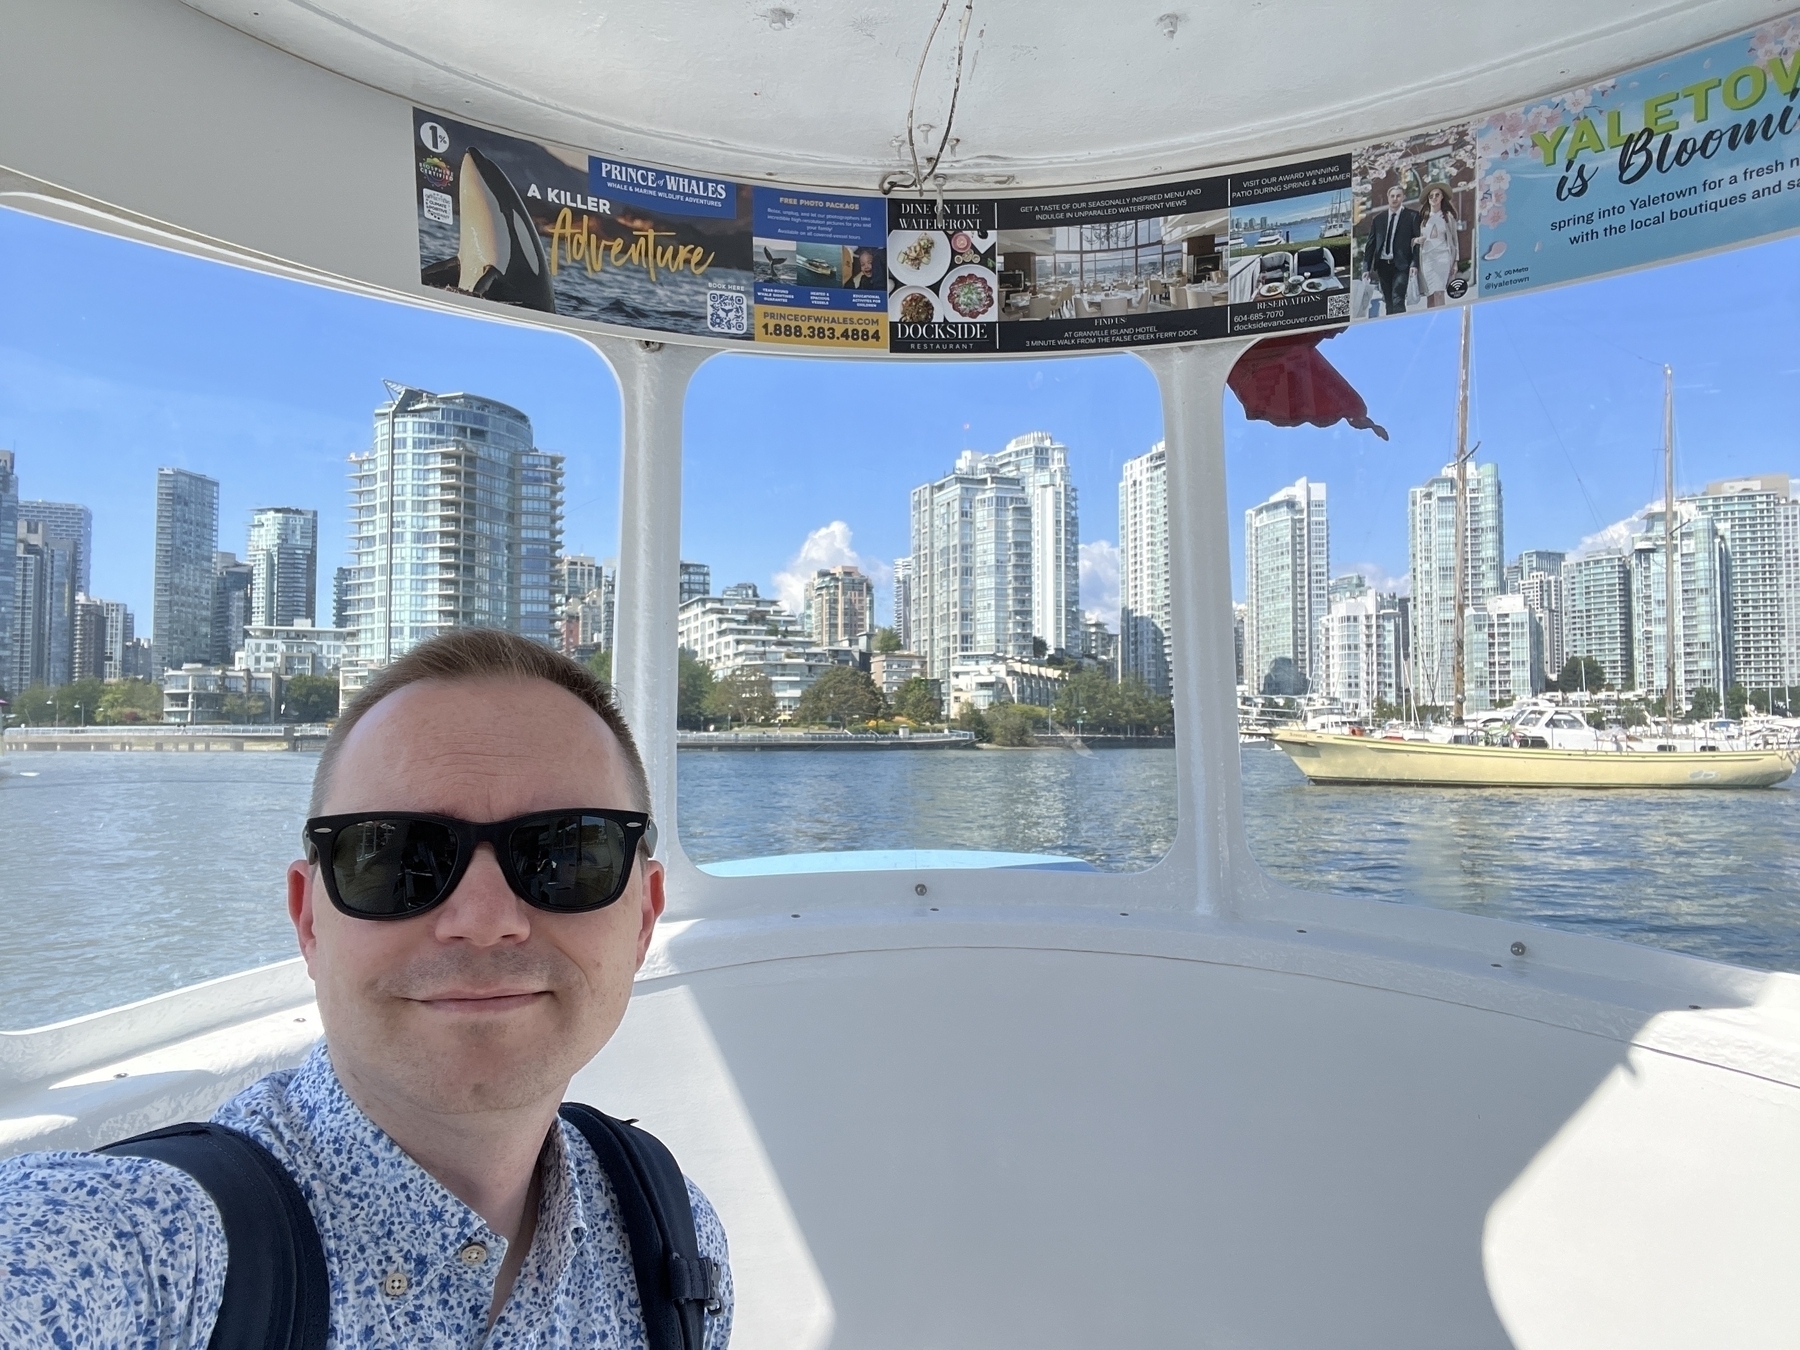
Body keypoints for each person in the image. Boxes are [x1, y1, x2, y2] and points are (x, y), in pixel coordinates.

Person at [0, 629, 732, 1348]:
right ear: (307, 920)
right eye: (397, 857)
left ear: (644, 916)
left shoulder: (674, 1240)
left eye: (569, 854)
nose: (484, 922)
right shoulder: (134, 1247)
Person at [1361, 183, 1420, 315]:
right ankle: (1391, 327)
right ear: (1388, 198)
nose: (1395, 199)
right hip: (1383, 265)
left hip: (1401, 265)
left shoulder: (1412, 216)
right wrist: (1366, 268)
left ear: (1403, 197)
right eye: (1392, 196)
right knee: (1388, 301)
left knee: (1398, 298)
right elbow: (1370, 245)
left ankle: (1401, 327)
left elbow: (1417, 243)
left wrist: (1414, 264)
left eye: (1398, 196)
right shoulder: (1378, 220)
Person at [1416, 184, 1458, 308]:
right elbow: (1414, 238)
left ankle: (1442, 317)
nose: (1434, 198)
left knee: (1439, 292)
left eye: (1437, 195)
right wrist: (1417, 241)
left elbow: (1455, 241)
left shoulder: (1447, 217)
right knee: (1430, 293)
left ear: (1442, 197)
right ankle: (1431, 318)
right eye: (1431, 196)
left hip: (1442, 256)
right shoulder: (1423, 219)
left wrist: (1455, 261)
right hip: (1427, 258)